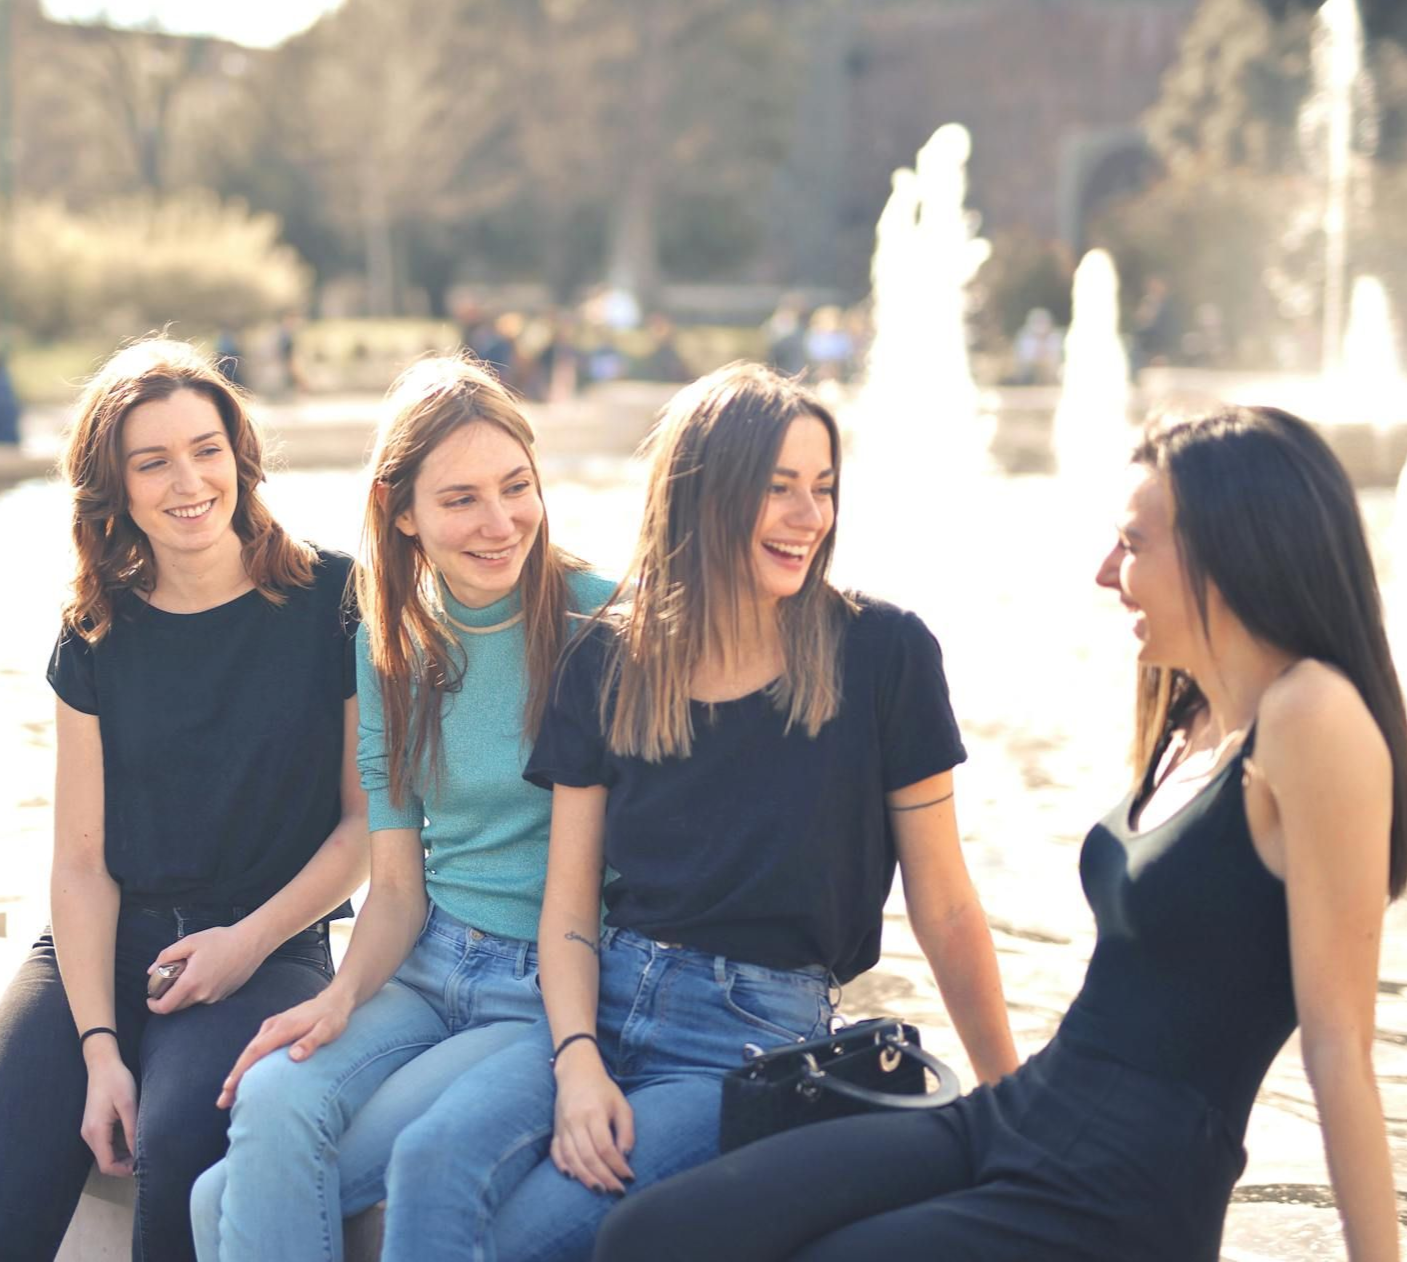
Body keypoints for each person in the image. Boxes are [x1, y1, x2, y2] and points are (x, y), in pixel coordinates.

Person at [593, 404, 1407, 1262]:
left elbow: (1339, 1044)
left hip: (1121, 1183)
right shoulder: (1192, 709)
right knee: (653, 1234)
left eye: (1132, 543)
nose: (1105, 572)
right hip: (1022, 1111)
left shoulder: (1312, 716)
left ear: (1232, 545)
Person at [373, 362, 1018, 1262]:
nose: (809, 516)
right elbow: (568, 910)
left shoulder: (883, 654)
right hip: (594, 1005)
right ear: (705, 496)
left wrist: (1012, 1106)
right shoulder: (607, 661)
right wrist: (577, 1060)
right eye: (778, 488)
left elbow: (945, 905)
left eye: (821, 489)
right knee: (429, 1159)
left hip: (742, 1039)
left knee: (529, 1237)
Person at [189, 355, 616, 1261]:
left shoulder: (600, 621)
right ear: (403, 511)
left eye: (516, 487)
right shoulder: (393, 640)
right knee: (258, 1118)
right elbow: (395, 885)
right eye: (461, 498)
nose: (500, 522)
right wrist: (339, 996)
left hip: (544, 990)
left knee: (222, 1199)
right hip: (426, 967)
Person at [0, 337, 368, 1262]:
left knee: (178, 1139)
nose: (187, 480)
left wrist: (244, 944)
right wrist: (95, 1049)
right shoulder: (93, 629)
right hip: (105, 944)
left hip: (267, 945)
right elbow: (80, 863)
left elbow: (366, 828)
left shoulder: (335, 598)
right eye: (151, 461)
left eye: (205, 449)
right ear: (113, 488)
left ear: (239, 457)